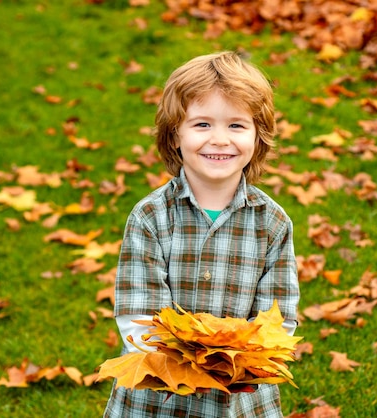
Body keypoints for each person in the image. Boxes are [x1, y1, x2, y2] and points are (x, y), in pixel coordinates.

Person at [103, 51, 300, 418]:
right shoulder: (150, 217)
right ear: (174, 135)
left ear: (258, 137)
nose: (220, 139)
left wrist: (243, 363)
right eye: (202, 125)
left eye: (236, 126)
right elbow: (137, 315)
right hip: (157, 398)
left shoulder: (272, 223)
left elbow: (279, 318)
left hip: (238, 398)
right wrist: (190, 366)